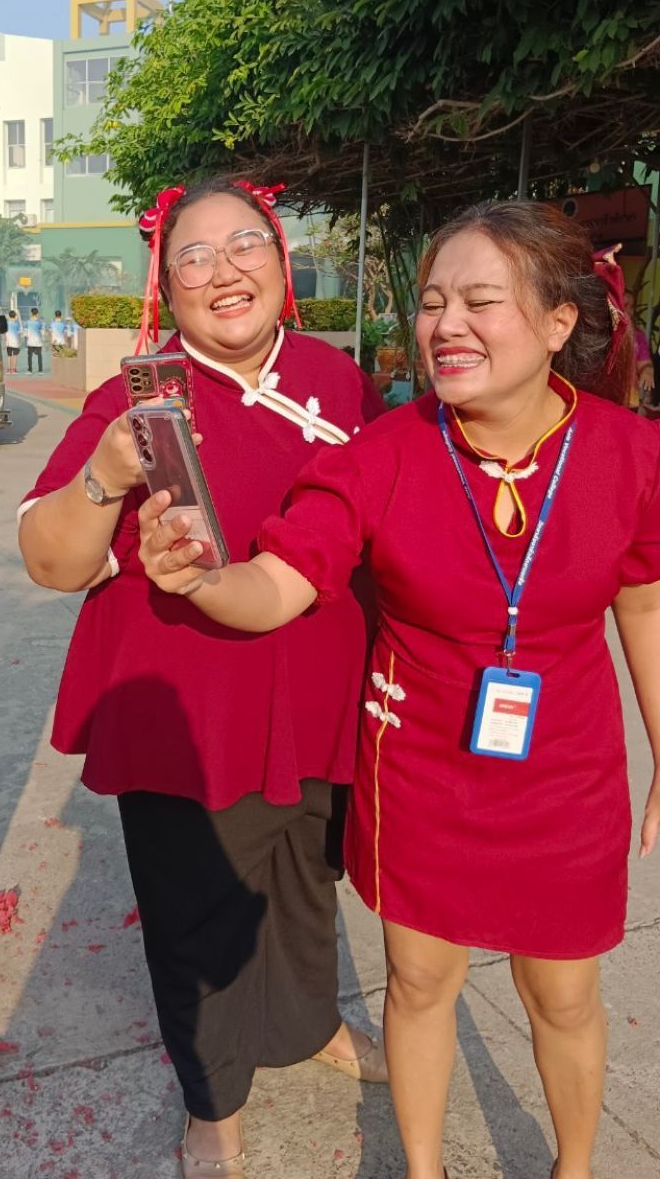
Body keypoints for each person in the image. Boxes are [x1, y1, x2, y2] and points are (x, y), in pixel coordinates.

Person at [139, 200, 660, 1179]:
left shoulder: (631, 456)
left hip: (569, 774)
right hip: (420, 772)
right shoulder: (381, 456)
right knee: (419, 983)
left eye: (479, 301)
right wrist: (203, 580)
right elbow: (281, 582)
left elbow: (643, 600)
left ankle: (575, 1167)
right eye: (430, 302)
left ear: (558, 321)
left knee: (563, 995)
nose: (445, 325)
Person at [19, 177, 388, 1177]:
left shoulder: (336, 378)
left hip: (319, 691)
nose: (224, 270)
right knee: (198, 914)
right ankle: (212, 1101)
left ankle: (308, 1023)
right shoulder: (138, 400)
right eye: (194, 254)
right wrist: (106, 472)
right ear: (167, 283)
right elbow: (50, 559)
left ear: (281, 260)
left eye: (245, 245)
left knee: (307, 879)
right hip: (189, 707)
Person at [25, 306, 45, 372]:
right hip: (38, 342)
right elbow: (42, 333)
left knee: (29, 356)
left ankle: (30, 370)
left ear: (31, 313)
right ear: (37, 314)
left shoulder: (27, 322)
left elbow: (26, 334)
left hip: (30, 342)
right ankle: (40, 370)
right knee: (39, 356)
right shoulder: (40, 323)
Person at [5, 308, 22, 373]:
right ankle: (14, 369)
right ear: (15, 316)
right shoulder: (17, 324)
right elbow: (20, 330)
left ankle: (9, 369)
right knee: (15, 356)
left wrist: (6, 341)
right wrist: (18, 314)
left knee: (9, 356)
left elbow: (5, 333)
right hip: (15, 342)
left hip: (9, 342)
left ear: (9, 316)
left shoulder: (7, 323)